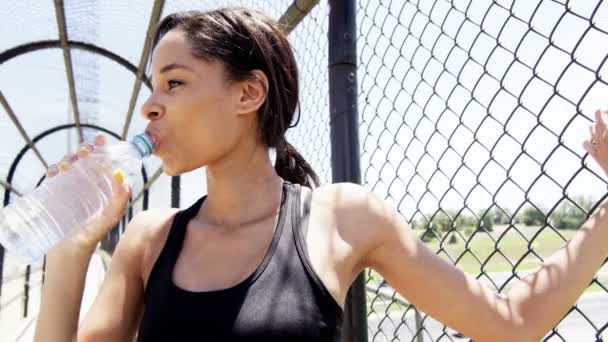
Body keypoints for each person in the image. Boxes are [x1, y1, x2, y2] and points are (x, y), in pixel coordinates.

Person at [33, 7, 608, 342]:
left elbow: (510, 322)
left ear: (248, 92)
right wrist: (69, 250)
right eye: (153, 88)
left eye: (175, 82)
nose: (150, 107)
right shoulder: (149, 241)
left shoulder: (341, 218)